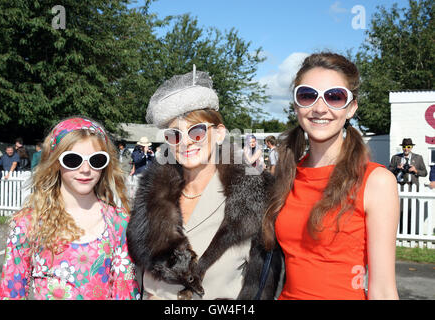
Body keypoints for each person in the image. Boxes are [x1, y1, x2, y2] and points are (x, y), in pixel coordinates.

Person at [127, 67, 282, 300]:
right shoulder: (149, 198)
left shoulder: (257, 199)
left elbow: (265, 284)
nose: (186, 142)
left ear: (219, 134)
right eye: (174, 135)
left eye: (197, 132)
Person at [262, 52, 400, 300]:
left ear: (351, 108)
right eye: (307, 95)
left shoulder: (376, 182)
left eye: (335, 97)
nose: (319, 108)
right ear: (296, 105)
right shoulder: (284, 175)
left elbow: (384, 290)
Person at [0, 116, 140, 300]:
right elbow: (11, 293)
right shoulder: (28, 223)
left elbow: (126, 291)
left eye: (96, 160)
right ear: (56, 162)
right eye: (73, 160)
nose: (85, 169)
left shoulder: (120, 223)